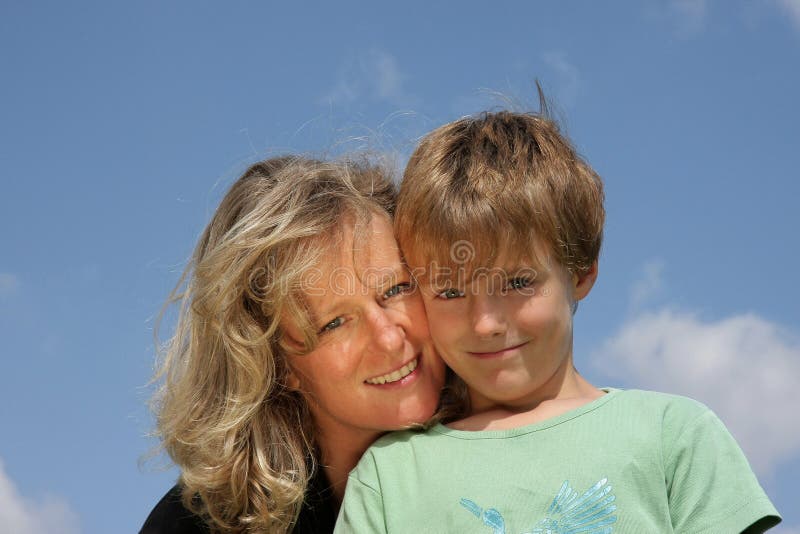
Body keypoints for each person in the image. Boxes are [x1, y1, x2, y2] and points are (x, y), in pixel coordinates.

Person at [335, 103, 782, 532]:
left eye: (517, 283)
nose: (486, 323)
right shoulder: (388, 478)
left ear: (581, 272)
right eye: (450, 291)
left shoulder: (674, 436)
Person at [141, 156, 445, 533]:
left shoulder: (514, 437)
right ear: (276, 366)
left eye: (396, 289)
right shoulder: (194, 526)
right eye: (335, 323)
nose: (388, 336)